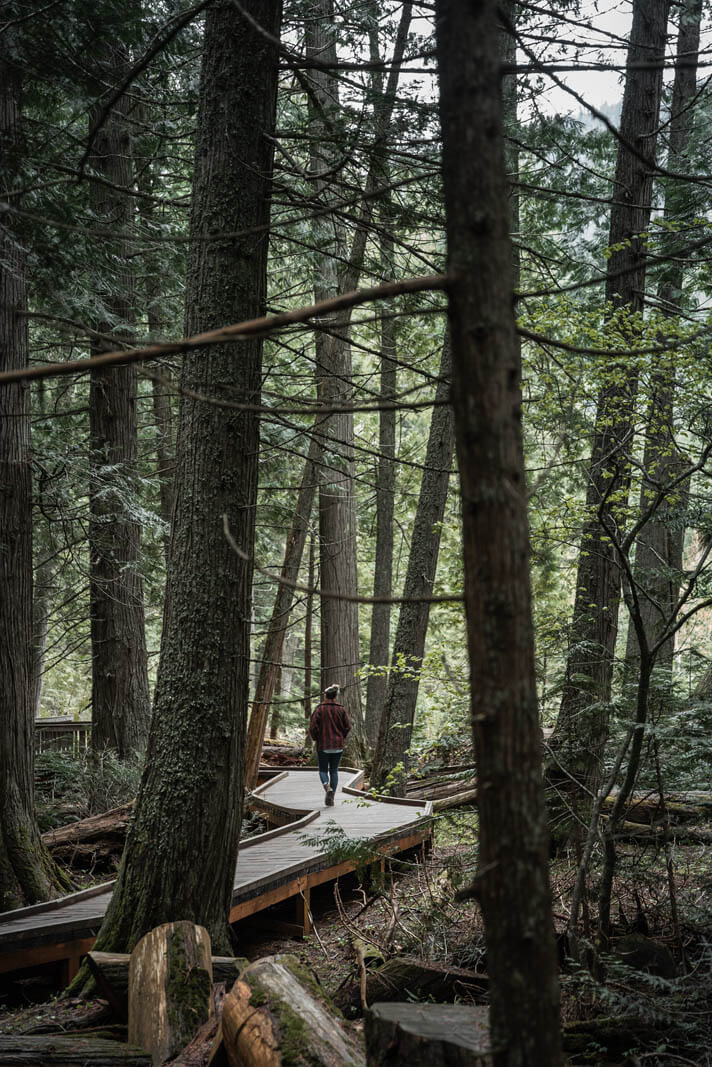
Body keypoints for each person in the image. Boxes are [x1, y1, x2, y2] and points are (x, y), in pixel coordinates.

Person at [309, 684, 351, 806]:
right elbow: (348, 726)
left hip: (323, 745)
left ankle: (327, 787)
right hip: (338, 746)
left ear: (325, 695)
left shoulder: (319, 709)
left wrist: (316, 738)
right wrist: (341, 737)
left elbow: (312, 727)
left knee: (323, 770)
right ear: (335, 696)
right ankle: (331, 797)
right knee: (334, 771)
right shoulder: (341, 709)